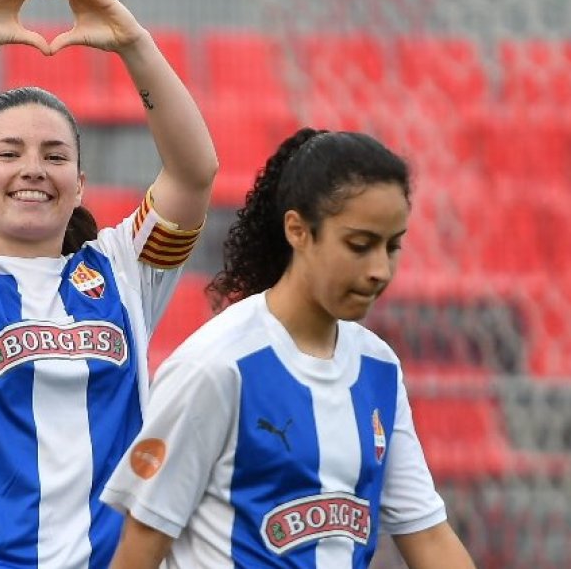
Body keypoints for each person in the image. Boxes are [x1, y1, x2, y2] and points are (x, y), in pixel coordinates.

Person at [0, 0, 218, 568]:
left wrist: (134, 45)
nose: (31, 169)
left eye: (54, 156)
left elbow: (193, 173)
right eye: (8, 152)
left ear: (78, 185)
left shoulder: (125, 271)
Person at [101, 128, 476, 568]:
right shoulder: (218, 366)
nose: (379, 269)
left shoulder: (379, 369)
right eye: (359, 245)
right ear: (298, 230)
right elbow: (141, 545)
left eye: (392, 246)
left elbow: (428, 536)